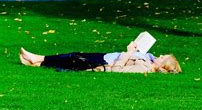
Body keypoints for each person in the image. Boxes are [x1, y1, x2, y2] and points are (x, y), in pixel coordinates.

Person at [19, 41, 182, 74]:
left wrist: (129, 52)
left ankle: (37, 59)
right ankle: (38, 63)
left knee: (73, 58)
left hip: (105, 62)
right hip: (106, 57)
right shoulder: (149, 60)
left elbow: (119, 70)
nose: (159, 56)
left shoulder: (145, 68)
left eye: (163, 57)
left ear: (163, 66)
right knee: (73, 57)